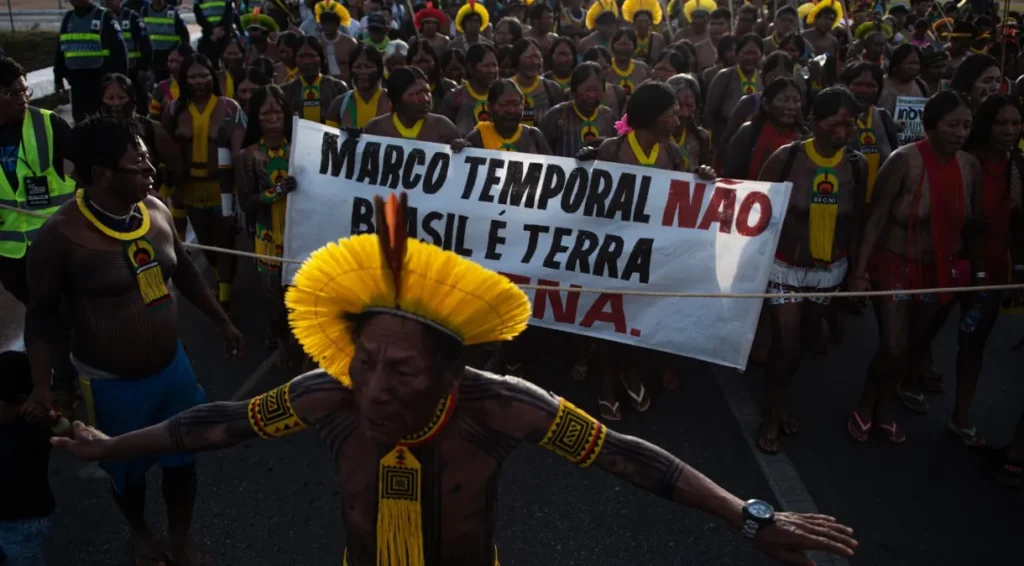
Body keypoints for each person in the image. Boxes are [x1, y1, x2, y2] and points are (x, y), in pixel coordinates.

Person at [51, 191, 859, 566]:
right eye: (364, 362)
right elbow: (212, 425)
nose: (372, 388)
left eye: (400, 370)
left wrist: (752, 516)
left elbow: (630, 456)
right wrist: (111, 448)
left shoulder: (502, 409)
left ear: (451, 371)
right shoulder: (324, 398)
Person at [23, 115, 242, 566]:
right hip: (111, 386)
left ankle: (181, 543)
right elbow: (41, 317)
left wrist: (222, 320)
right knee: (127, 475)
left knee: (183, 462)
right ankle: (140, 534)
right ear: (102, 175)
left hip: (173, 371)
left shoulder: (155, 209)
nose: (152, 172)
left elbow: (183, 269)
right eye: (139, 164)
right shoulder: (58, 238)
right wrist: (42, 388)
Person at [848, 91, 984, 443]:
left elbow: (972, 225)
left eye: (967, 125)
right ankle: (865, 403)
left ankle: (885, 407)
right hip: (894, 265)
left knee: (912, 348)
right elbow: (875, 220)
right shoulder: (903, 161)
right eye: (952, 125)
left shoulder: (969, 166)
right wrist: (860, 273)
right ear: (931, 125)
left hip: (939, 271)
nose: (960, 133)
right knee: (892, 346)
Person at [754, 87, 867, 454]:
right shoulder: (786, 159)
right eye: (835, 124)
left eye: (849, 125)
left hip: (828, 271)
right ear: (815, 123)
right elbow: (755, 210)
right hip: (785, 267)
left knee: (803, 340)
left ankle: (780, 402)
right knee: (785, 345)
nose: (843, 132)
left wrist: (855, 271)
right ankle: (771, 414)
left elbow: (858, 221)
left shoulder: (857, 165)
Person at [949, 95, 1024, 446]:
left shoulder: (1018, 165)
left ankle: (960, 416)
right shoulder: (966, 161)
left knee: (973, 343)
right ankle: (911, 377)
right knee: (921, 332)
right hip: (952, 261)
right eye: (1001, 123)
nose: (1009, 131)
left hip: (995, 266)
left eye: (1015, 123)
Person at [163, 53, 246, 315]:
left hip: (222, 189)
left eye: (203, 74)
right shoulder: (174, 109)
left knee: (225, 242)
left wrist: (238, 189)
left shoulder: (231, 108)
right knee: (207, 243)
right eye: (193, 76)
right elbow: (164, 150)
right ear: (184, 79)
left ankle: (225, 299)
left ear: (213, 76)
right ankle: (220, 282)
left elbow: (241, 151)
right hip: (191, 190)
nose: (199, 81)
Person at [0, 57, 76, 308]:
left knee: (66, 311)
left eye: (24, 90)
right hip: (8, 255)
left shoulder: (48, 123)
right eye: (12, 93)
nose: (22, 99)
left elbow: (91, 163)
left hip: (55, 243)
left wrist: (77, 194)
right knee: (39, 310)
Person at [235, 84, 300, 362]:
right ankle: (277, 331)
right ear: (256, 118)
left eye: (278, 110)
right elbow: (247, 203)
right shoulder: (247, 156)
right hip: (268, 234)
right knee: (274, 294)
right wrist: (276, 192)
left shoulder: (302, 149)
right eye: (265, 112)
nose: (273, 117)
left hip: (300, 232)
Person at [0, 351, 68, 566]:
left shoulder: (35, 428)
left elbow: (67, 431)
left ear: (21, 401)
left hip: (24, 523)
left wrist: (49, 415)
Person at [100, 73, 182, 194]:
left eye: (122, 97)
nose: (116, 103)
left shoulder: (151, 129)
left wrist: (164, 190)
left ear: (132, 98)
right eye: (110, 98)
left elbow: (176, 165)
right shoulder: (93, 130)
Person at [55, 0, 128, 123]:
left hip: (102, 85)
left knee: (105, 123)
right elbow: (60, 51)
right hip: (78, 85)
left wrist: (121, 82)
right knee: (81, 124)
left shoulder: (104, 17)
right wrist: (58, 78)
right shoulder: (68, 18)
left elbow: (120, 52)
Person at [717, 51, 797, 160]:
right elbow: (726, 144)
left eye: (785, 81)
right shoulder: (748, 103)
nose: (779, 89)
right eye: (773, 80)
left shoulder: (795, 109)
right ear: (762, 77)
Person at [724, 77, 806, 180]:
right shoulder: (748, 132)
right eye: (783, 100)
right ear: (766, 105)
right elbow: (730, 177)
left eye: (796, 101)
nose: (791, 106)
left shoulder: (805, 138)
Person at [842, 61, 899, 203]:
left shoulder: (883, 117)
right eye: (858, 84)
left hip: (877, 203)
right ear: (847, 85)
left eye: (870, 86)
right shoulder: (834, 118)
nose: (864, 90)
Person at [538, 62, 616, 158]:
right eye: (586, 89)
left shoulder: (609, 117)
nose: (591, 95)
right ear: (573, 91)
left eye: (597, 90)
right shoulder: (556, 115)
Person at [363, 66, 460, 143]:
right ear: (397, 99)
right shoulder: (375, 128)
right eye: (416, 94)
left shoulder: (443, 127)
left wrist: (462, 146)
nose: (425, 99)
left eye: (427, 92)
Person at [451, 79, 551, 153]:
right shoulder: (478, 137)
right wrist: (462, 150)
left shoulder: (534, 136)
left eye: (516, 104)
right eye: (504, 105)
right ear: (490, 107)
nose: (511, 110)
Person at [704, 32, 764, 140]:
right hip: (726, 138)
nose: (749, 58)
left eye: (754, 53)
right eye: (745, 53)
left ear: (761, 55)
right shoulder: (724, 77)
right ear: (737, 54)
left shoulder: (763, 79)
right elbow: (709, 113)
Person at [282, 36, 349, 126]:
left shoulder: (338, 88)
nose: (306, 61)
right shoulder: (285, 91)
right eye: (301, 56)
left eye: (311, 56)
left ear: (321, 59)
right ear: (295, 59)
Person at [103, 0, 152, 117]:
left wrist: (143, 68)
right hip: (110, 73)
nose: (108, 2)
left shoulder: (132, 17)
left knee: (138, 106)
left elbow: (145, 45)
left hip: (133, 72)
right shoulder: (101, 19)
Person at [438, 43, 499, 135]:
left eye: (494, 65)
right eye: (486, 66)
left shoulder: (500, 96)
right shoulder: (454, 98)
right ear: (471, 68)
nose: (491, 70)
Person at [325, 44, 387, 128]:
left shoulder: (394, 101)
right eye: (358, 67)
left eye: (368, 67)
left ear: (380, 70)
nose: (363, 71)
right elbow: (329, 137)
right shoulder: (339, 104)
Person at [508, 38, 563, 128]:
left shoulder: (552, 89)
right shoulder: (505, 87)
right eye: (529, 57)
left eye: (537, 57)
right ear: (517, 59)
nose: (534, 62)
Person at [666, 72, 712, 171]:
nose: (684, 113)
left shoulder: (701, 137)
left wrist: (705, 172)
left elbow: (707, 173)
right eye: (679, 105)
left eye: (690, 106)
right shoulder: (655, 137)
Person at [140, 0, 190, 83]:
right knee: (161, 83)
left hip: (171, 54)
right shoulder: (145, 11)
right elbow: (142, 35)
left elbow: (184, 34)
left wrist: (179, 52)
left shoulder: (172, 11)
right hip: (154, 55)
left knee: (175, 81)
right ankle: (166, 95)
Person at [407, 41, 457, 112]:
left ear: (435, 62)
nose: (423, 66)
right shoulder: (403, 90)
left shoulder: (449, 87)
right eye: (418, 62)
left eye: (427, 61)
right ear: (409, 65)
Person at [878, 44, 927, 115]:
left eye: (916, 63)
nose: (913, 68)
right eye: (910, 63)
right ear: (897, 63)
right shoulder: (880, 84)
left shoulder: (921, 85)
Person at [149, 43, 191, 121]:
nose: (174, 66)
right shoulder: (162, 87)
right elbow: (153, 118)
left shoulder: (197, 86)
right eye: (171, 61)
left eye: (179, 62)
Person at [604, 29, 651, 97]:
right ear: (612, 47)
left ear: (634, 48)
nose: (623, 48)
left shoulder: (642, 67)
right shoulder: (606, 67)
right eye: (620, 44)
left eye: (627, 44)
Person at [319, 9, 357, 82]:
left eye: (330, 24)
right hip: (323, 85)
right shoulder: (317, 42)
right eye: (324, 23)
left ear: (337, 24)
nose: (327, 27)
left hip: (347, 84)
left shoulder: (350, 43)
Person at [194, 0, 235, 64]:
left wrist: (220, 29)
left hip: (223, 34)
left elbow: (229, 14)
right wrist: (212, 31)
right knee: (206, 63)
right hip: (208, 36)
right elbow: (199, 18)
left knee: (228, 62)